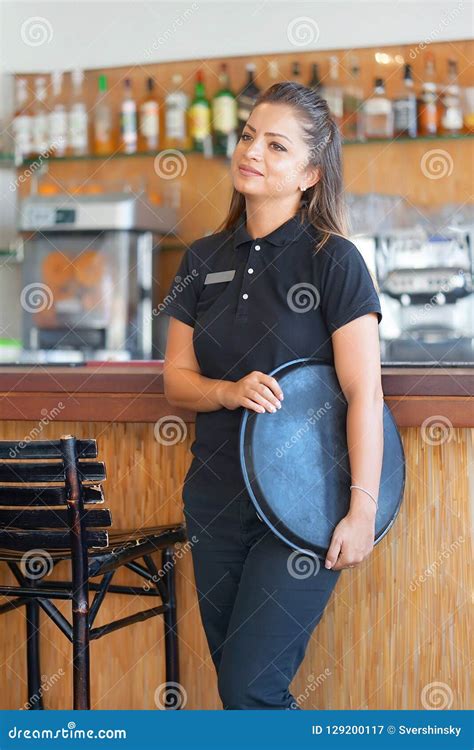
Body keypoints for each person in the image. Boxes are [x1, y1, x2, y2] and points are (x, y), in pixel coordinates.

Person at [161, 81, 384, 710]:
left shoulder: (333, 261)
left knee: (250, 686)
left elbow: (365, 391)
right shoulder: (201, 259)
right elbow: (176, 380)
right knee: (241, 690)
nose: (252, 150)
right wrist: (227, 391)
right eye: (248, 135)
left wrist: (362, 511)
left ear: (310, 173)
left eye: (276, 145)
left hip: (304, 507)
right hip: (213, 498)